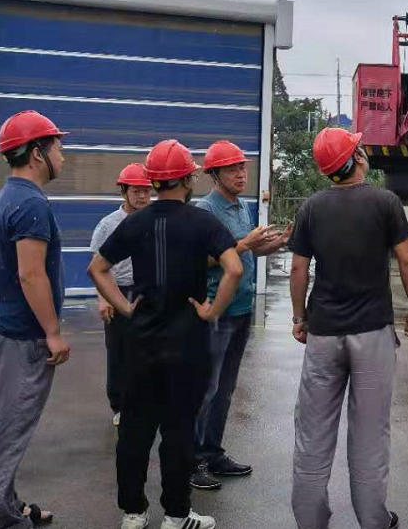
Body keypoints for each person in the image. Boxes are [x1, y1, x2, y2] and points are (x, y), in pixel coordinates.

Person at [88, 139, 244, 529]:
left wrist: (125, 307)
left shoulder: (135, 222)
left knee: (135, 430)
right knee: (178, 432)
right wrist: (212, 310)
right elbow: (235, 268)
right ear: (188, 179)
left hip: (140, 343)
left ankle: (133, 513)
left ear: (153, 181)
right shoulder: (203, 222)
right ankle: (176, 515)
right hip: (188, 344)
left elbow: (97, 268)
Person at [289, 127, 408, 529]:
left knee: (312, 434)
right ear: (358, 158)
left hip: (323, 334)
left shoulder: (311, 208)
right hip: (371, 333)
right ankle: (374, 520)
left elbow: (298, 268)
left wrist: (300, 318)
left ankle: (310, 520)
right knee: (369, 435)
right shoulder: (385, 202)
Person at [0, 110, 70, 529]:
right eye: (58, 147)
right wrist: (53, 333)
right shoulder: (30, 203)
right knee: (5, 433)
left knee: (0, 430)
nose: (63, 155)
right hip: (19, 339)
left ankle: (7, 506)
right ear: (36, 153)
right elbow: (30, 275)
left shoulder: (11, 195)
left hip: (3, 331)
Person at [190, 140, 292, 491]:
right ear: (214, 174)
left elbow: (248, 252)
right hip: (217, 312)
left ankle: (213, 452)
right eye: (232, 169)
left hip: (242, 310)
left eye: (242, 167)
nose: (241, 174)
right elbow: (201, 260)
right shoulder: (205, 210)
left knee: (225, 389)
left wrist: (276, 243)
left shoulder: (242, 207)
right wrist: (246, 244)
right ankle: (192, 460)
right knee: (206, 389)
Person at [90, 163, 154, 427]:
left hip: (148, 291)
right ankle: (119, 406)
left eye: (146, 191)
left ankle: (147, 404)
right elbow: (97, 266)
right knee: (119, 352)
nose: (142, 196)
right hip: (117, 291)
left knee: (149, 351)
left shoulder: (155, 219)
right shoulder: (109, 224)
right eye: (136, 191)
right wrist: (103, 298)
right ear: (124, 192)